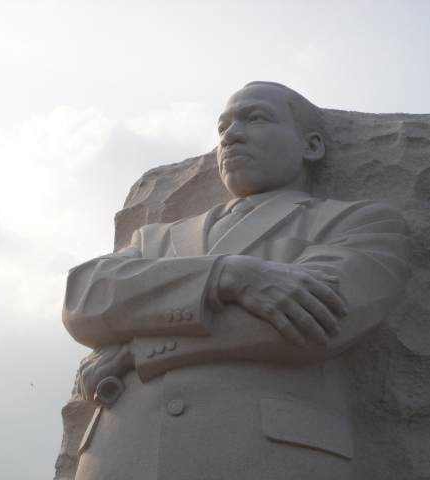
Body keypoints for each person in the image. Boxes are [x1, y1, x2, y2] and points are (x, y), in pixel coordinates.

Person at [63, 81, 410, 480]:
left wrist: (134, 350)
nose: (231, 135)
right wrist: (228, 275)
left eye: (256, 119)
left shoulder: (356, 222)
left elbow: (314, 319)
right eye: (222, 127)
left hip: (267, 455)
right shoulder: (155, 238)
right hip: (122, 455)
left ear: (310, 146)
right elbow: (85, 299)